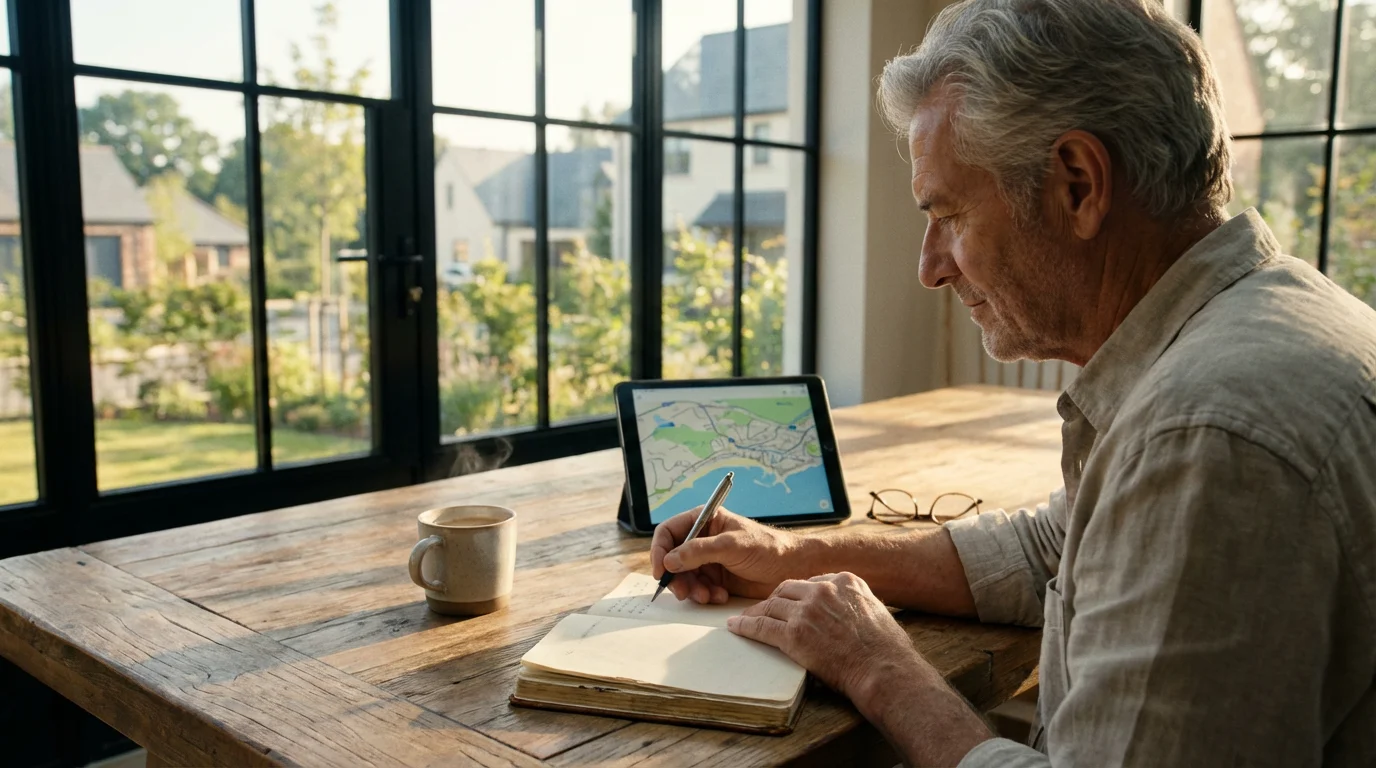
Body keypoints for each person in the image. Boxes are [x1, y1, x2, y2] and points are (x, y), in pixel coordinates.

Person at [650, 0, 1376, 764]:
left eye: (950, 214)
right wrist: (791, 556)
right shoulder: (1256, 324)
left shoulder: (1204, 436)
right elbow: (1045, 551)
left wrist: (880, 666)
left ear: (1077, 184)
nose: (929, 267)